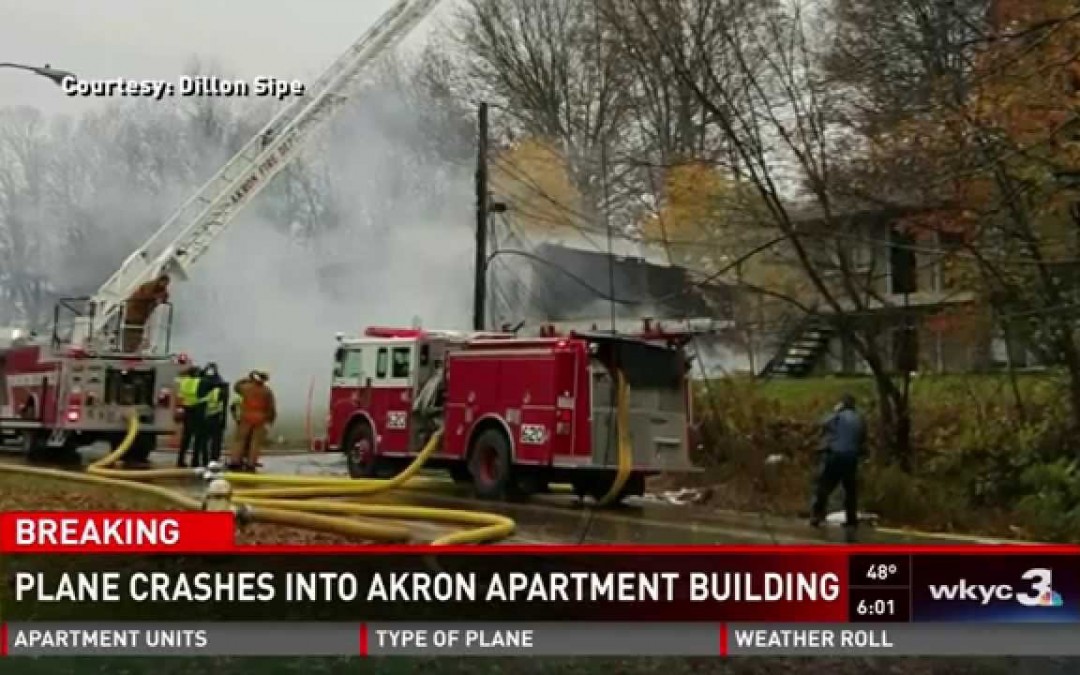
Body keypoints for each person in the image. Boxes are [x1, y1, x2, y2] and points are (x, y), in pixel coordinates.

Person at [810, 394, 867, 542]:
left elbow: (823, 424)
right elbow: (862, 439)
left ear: (842, 404)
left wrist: (835, 412)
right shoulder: (859, 418)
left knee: (825, 485)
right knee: (850, 489)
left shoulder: (837, 416)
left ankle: (817, 515)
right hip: (851, 457)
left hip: (835, 455)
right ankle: (851, 520)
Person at [229, 369, 276, 472]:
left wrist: (248, 379)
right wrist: (270, 421)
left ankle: (235, 461)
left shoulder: (246, 388)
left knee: (239, 441)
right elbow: (271, 408)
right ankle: (251, 463)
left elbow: (236, 386)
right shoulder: (267, 391)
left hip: (246, 417)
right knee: (256, 443)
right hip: (260, 419)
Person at [123, 274, 170, 352]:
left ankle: (134, 348)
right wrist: (155, 298)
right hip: (134, 311)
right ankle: (128, 349)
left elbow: (165, 295)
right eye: (164, 282)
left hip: (142, 315)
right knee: (131, 330)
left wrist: (162, 299)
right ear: (160, 281)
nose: (164, 285)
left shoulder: (161, 290)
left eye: (166, 283)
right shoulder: (149, 286)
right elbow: (144, 295)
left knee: (138, 331)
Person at [194, 363, 228, 467]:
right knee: (215, 441)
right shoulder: (221, 387)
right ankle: (213, 460)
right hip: (215, 417)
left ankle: (200, 460)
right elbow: (224, 405)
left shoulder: (200, 383)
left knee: (201, 440)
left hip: (202, 416)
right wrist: (223, 420)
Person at [175, 365, 205, 468]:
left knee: (186, 437)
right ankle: (195, 460)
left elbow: (178, 378)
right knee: (198, 437)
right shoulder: (199, 382)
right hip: (197, 410)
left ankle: (180, 460)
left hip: (186, 410)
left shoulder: (184, 381)